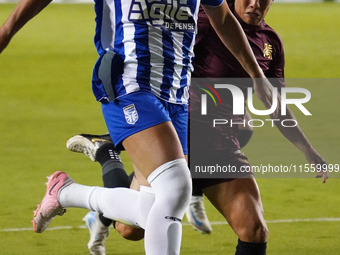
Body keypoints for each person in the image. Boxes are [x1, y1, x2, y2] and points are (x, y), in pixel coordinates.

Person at [0, 0, 282, 254]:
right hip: (128, 85)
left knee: (149, 213)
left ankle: (65, 192)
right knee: (176, 187)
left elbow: (222, 19)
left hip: (175, 96)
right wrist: (6, 31)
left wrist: (257, 76)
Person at [64, 1, 329, 255]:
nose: (254, 4)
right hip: (175, 139)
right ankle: (106, 158)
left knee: (254, 229)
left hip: (222, 147)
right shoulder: (205, 21)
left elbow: (275, 101)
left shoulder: (270, 44)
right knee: (129, 230)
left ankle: (107, 166)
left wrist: (308, 150)